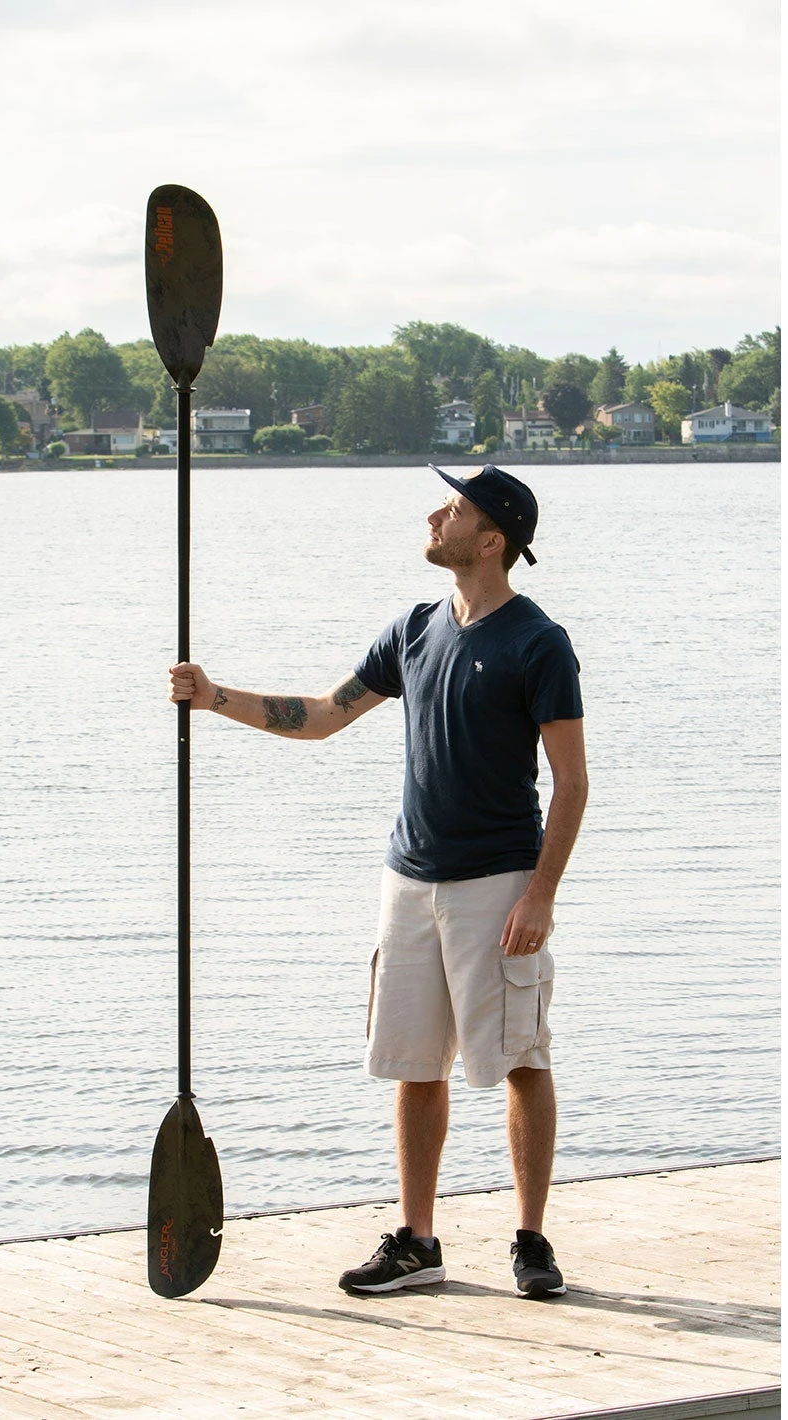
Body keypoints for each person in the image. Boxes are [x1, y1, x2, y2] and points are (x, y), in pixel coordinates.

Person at [167, 464, 588, 1301]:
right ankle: (418, 1242)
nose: (435, 516)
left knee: (521, 1059)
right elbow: (324, 715)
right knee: (414, 1064)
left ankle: (532, 1241)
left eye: (454, 509)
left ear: (491, 540)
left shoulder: (538, 642)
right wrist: (215, 698)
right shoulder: (415, 629)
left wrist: (540, 894)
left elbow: (571, 781)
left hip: (499, 883)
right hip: (410, 881)